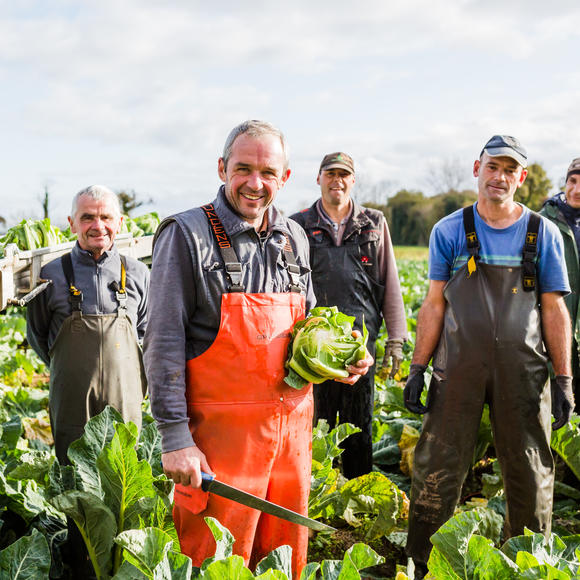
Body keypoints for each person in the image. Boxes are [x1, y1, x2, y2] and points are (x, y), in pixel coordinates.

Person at [143, 120, 373, 578]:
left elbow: (308, 324)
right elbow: (162, 339)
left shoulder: (294, 237)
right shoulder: (186, 235)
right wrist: (175, 437)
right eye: (243, 168)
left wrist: (345, 357)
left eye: (268, 172)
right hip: (220, 443)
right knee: (216, 560)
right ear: (222, 167)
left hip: (291, 437)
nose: (255, 183)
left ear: (284, 178)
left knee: (282, 557)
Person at [403, 135, 574, 579]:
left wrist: (564, 378)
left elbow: (554, 309)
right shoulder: (450, 229)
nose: (499, 177)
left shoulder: (543, 232)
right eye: (492, 167)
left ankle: (529, 561)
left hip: (524, 372)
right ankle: (423, 562)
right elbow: (435, 303)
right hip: (457, 368)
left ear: (522, 177)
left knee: (529, 464)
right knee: (438, 461)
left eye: (509, 169)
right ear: (477, 169)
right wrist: (418, 368)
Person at [290, 152, 407, 479]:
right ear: (319, 178)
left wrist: (395, 342)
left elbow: (391, 284)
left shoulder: (373, 223)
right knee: (314, 424)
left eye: (344, 175)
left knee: (359, 427)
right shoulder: (298, 225)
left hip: (359, 349)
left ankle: (359, 497)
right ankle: (312, 494)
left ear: (352, 181)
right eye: (330, 174)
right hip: (312, 350)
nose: (337, 181)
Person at [27, 185, 149, 464]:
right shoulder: (51, 275)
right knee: (74, 472)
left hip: (125, 399)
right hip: (72, 400)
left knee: (123, 473)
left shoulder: (139, 274)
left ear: (119, 223)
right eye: (87, 218)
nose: (98, 226)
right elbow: (38, 335)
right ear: (72, 224)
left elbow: (144, 332)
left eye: (106, 217)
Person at [540, 157, 580, 411]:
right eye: (572, 181)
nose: (577, 190)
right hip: (554, 343)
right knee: (556, 418)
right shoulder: (543, 222)